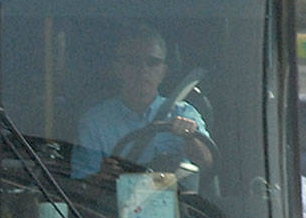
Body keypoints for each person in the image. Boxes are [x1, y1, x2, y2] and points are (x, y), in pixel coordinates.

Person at [72, 24, 214, 181]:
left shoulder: (184, 113)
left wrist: (190, 137)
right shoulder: (95, 122)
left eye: (152, 62)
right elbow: (80, 188)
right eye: (133, 61)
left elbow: (207, 163)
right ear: (118, 69)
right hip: (115, 204)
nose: (143, 69)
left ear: (164, 71)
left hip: (178, 203)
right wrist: (102, 176)